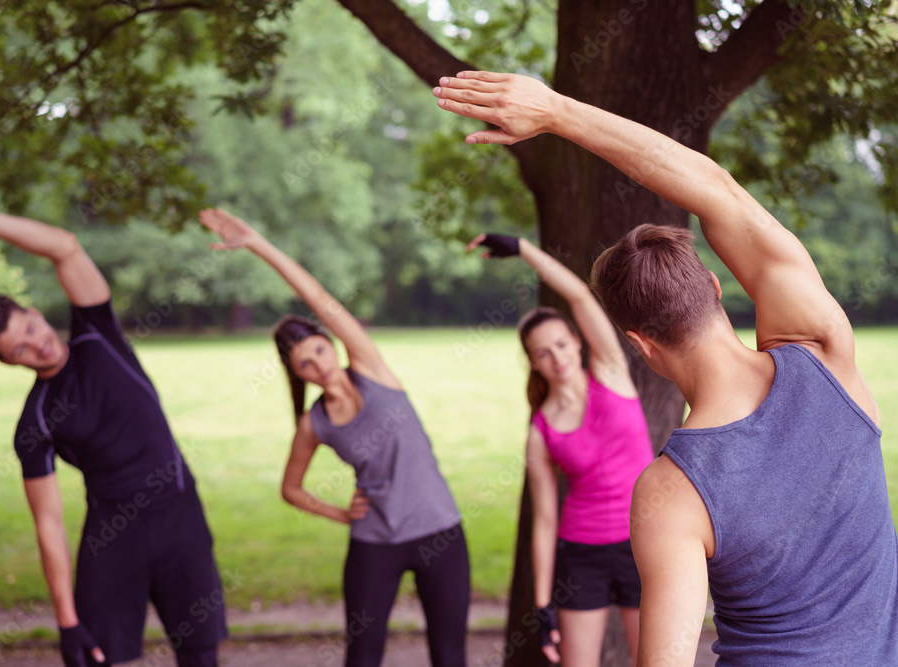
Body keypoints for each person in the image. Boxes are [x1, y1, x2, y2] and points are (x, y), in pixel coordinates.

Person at [434, 72, 898, 665]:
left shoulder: (671, 494)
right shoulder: (826, 352)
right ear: (711, 284)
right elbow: (715, 189)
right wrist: (555, 110)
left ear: (639, 345)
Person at [0, 199, 227, 667]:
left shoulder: (98, 337)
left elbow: (66, 249)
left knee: (200, 657)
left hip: (181, 515)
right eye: (20, 348)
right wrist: (66, 620)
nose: (37, 343)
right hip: (113, 533)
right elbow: (49, 524)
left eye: (30, 326)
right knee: (91, 656)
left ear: (35, 311)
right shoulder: (35, 421)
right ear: (9, 362)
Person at [198, 207, 469, 667]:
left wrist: (258, 244)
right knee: (361, 656)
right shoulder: (314, 423)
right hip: (373, 542)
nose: (320, 364)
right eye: (306, 363)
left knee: (450, 657)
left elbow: (319, 298)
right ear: (298, 374)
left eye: (320, 350)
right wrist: (340, 513)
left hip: (439, 532)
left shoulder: (371, 369)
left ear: (331, 343)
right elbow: (290, 488)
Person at [468, 233, 653, 665]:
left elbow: (581, 297)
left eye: (561, 344)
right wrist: (542, 603)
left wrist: (522, 249)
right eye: (542, 352)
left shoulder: (610, 373)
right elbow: (545, 519)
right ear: (533, 362)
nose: (557, 357)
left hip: (644, 541)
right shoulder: (541, 429)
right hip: (581, 554)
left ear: (577, 340)